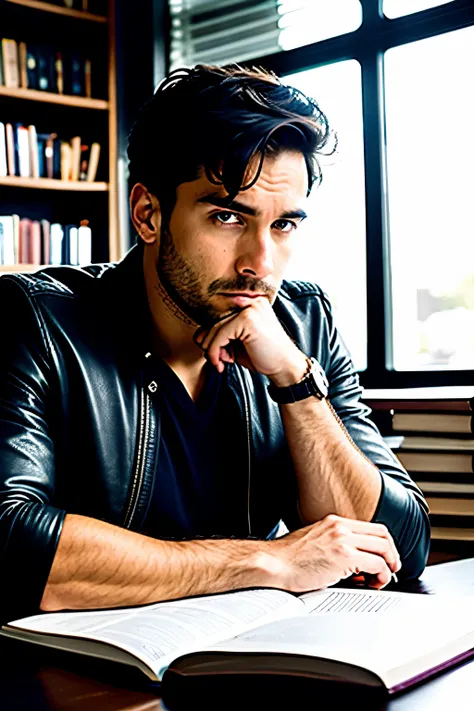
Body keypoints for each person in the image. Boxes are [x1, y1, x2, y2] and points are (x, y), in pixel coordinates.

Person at [0, 65, 430, 624]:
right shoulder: (35, 319)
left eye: (283, 226)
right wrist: (264, 561)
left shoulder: (303, 324)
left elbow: (397, 546)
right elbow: (10, 544)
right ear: (149, 214)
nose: (260, 264)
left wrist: (295, 382)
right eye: (228, 216)